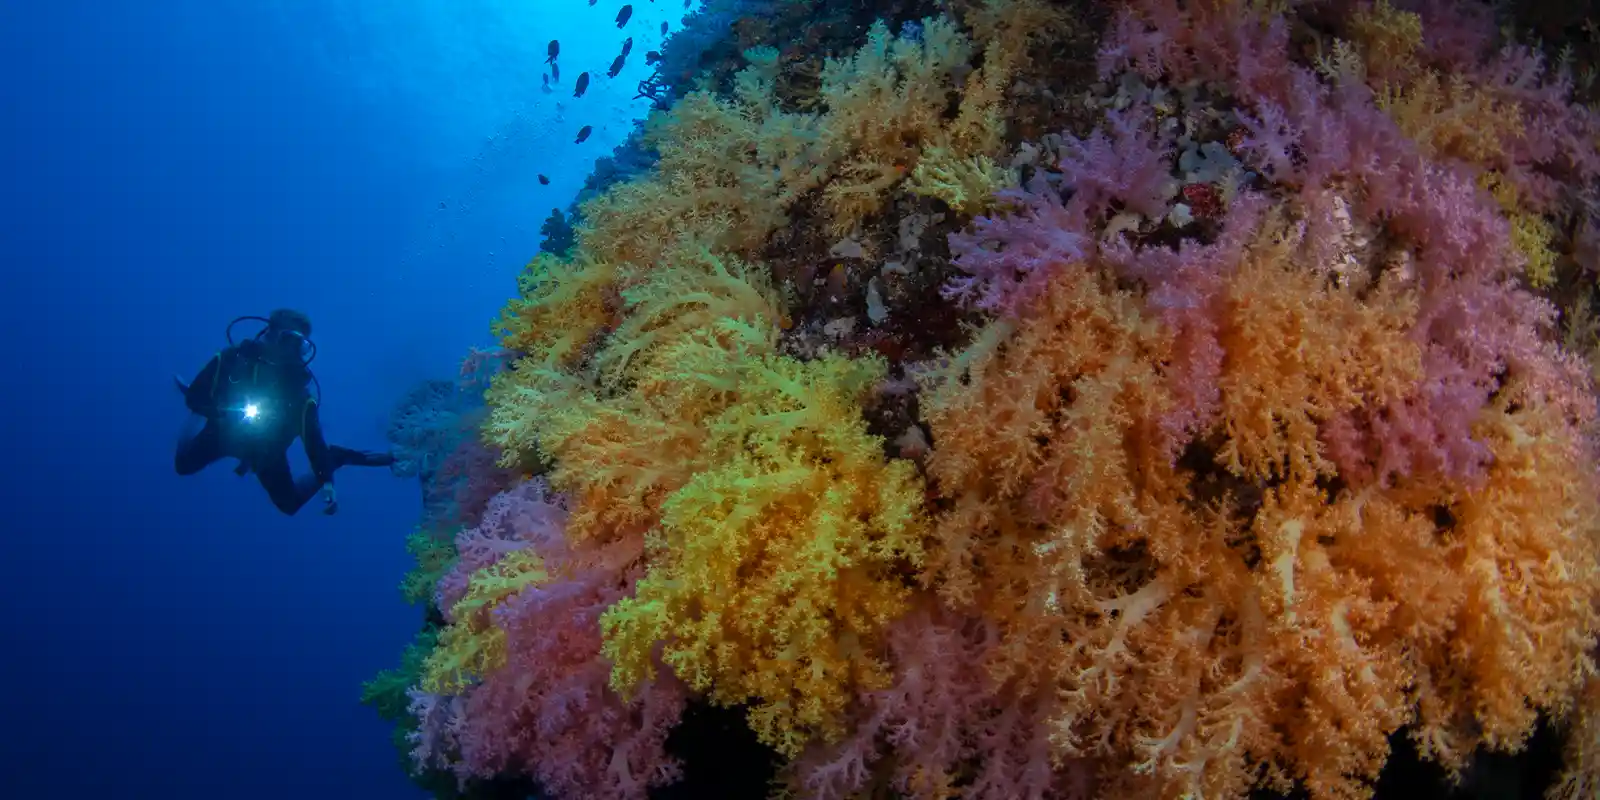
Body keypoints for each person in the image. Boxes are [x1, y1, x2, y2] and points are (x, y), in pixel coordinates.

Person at [174, 309, 395, 515]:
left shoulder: (300, 397)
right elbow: (195, 397)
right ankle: (197, 420)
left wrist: (327, 481)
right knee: (183, 465)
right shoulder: (232, 360)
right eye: (287, 339)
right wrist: (214, 411)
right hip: (223, 433)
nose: (291, 350)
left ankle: (338, 457)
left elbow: (314, 442)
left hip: (266, 450)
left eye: (299, 344)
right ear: (269, 334)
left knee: (289, 505)